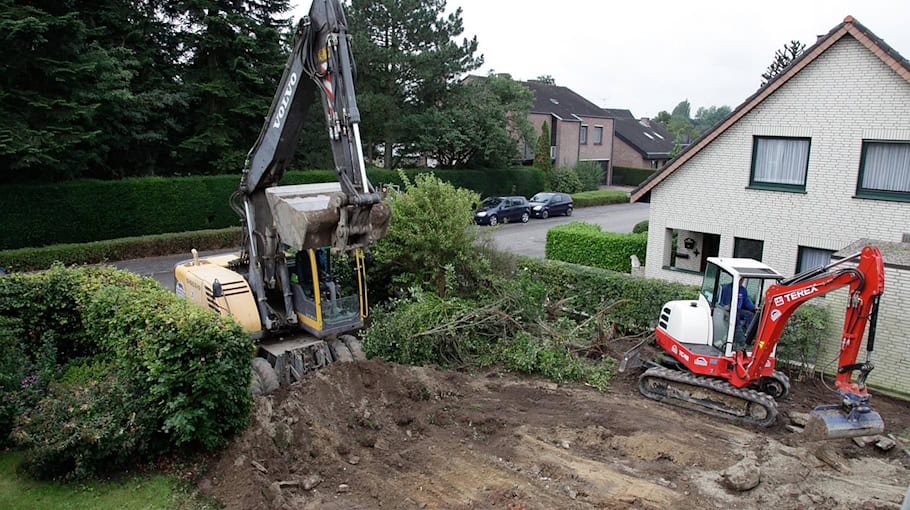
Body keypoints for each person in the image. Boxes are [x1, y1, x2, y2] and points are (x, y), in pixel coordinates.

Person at [719, 279, 757, 344]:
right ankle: (741, 338)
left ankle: (748, 335)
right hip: (727, 311)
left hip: (738, 310)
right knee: (735, 316)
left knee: (750, 314)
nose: (741, 281)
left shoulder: (743, 290)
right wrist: (724, 306)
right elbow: (720, 302)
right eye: (740, 279)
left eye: (742, 280)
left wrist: (754, 308)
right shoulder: (726, 288)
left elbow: (747, 302)